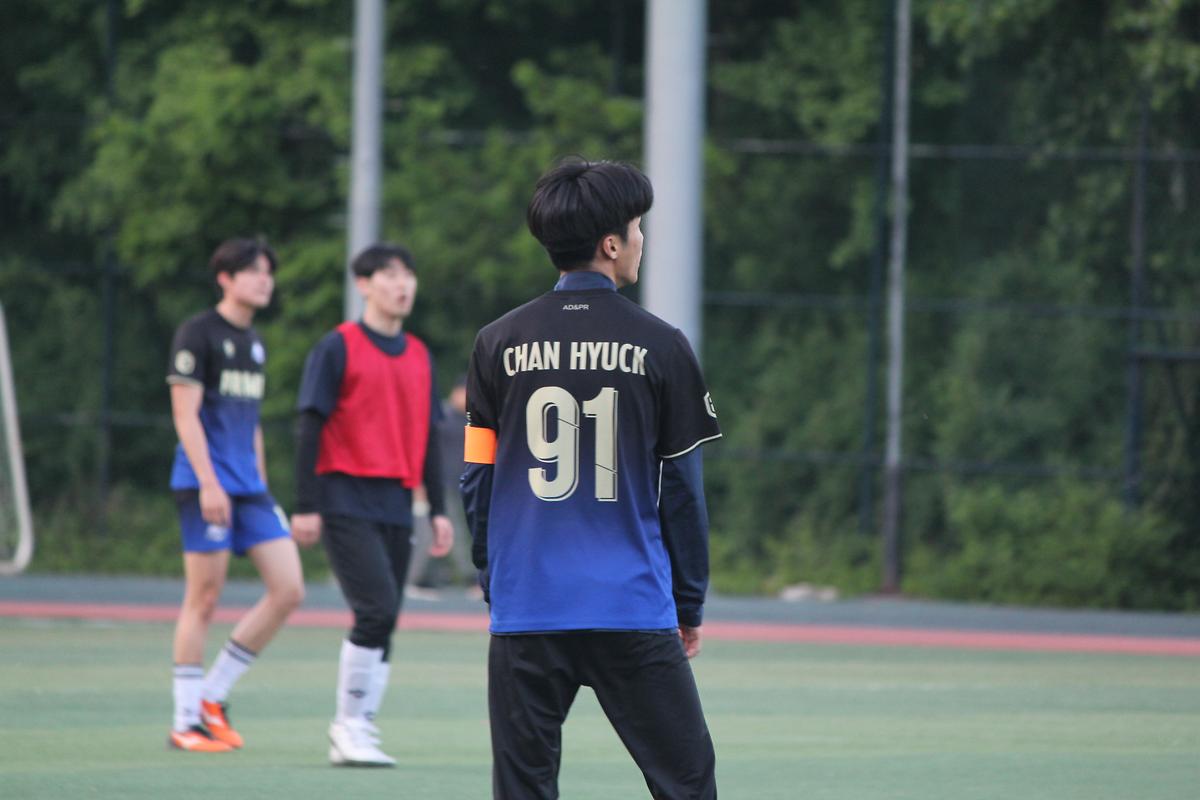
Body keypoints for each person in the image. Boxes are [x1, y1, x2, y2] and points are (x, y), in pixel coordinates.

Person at [461, 159, 722, 799]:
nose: (640, 239)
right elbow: (682, 492)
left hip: (528, 607)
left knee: (524, 789)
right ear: (611, 244)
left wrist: (497, 580)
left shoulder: (496, 342)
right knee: (687, 783)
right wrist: (688, 602)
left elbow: (477, 481)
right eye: (637, 227)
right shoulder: (662, 345)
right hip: (629, 605)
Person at [290, 243, 454, 767]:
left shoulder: (419, 355)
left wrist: (439, 510)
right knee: (376, 608)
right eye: (389, 275)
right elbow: (309, 425)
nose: (402, 284)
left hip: (397, 501)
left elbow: (428, 438)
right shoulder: (337, 347)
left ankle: (361, 725)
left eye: (408, 275)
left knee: (388, 616)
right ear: (363, 284)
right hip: (344, 495)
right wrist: (305, 504)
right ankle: (348, 725)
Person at [166, 238, 305, 753]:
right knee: (204, 598)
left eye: (268, 271)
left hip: (249, 489)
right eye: (252, 271)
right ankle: (185, 723)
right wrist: (208, 482)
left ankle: (213, 695)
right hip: (206, 484)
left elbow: (252, 424)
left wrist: (261, 484)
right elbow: (185, 415)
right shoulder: (198, 332)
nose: (264, 279)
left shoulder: (254, 343)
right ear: (224, 278)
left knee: (289, 589)